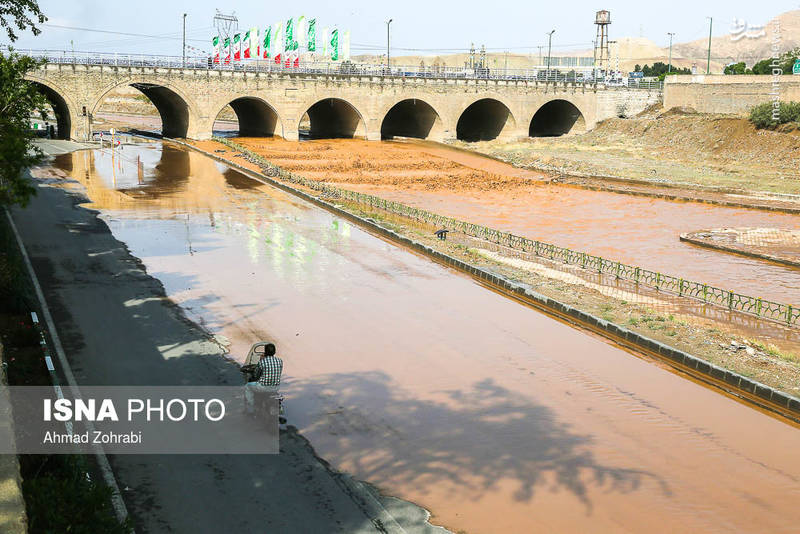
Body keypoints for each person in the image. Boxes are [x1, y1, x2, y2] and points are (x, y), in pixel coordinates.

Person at [244, 343, 282, 415]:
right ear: (274, 352)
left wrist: (261, 360)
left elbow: (256, 374)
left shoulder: (262, 362)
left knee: (247, 387)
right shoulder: (280, 361)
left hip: (263, 387)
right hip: (276, 387)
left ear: (265, 352)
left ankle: (251, 408)